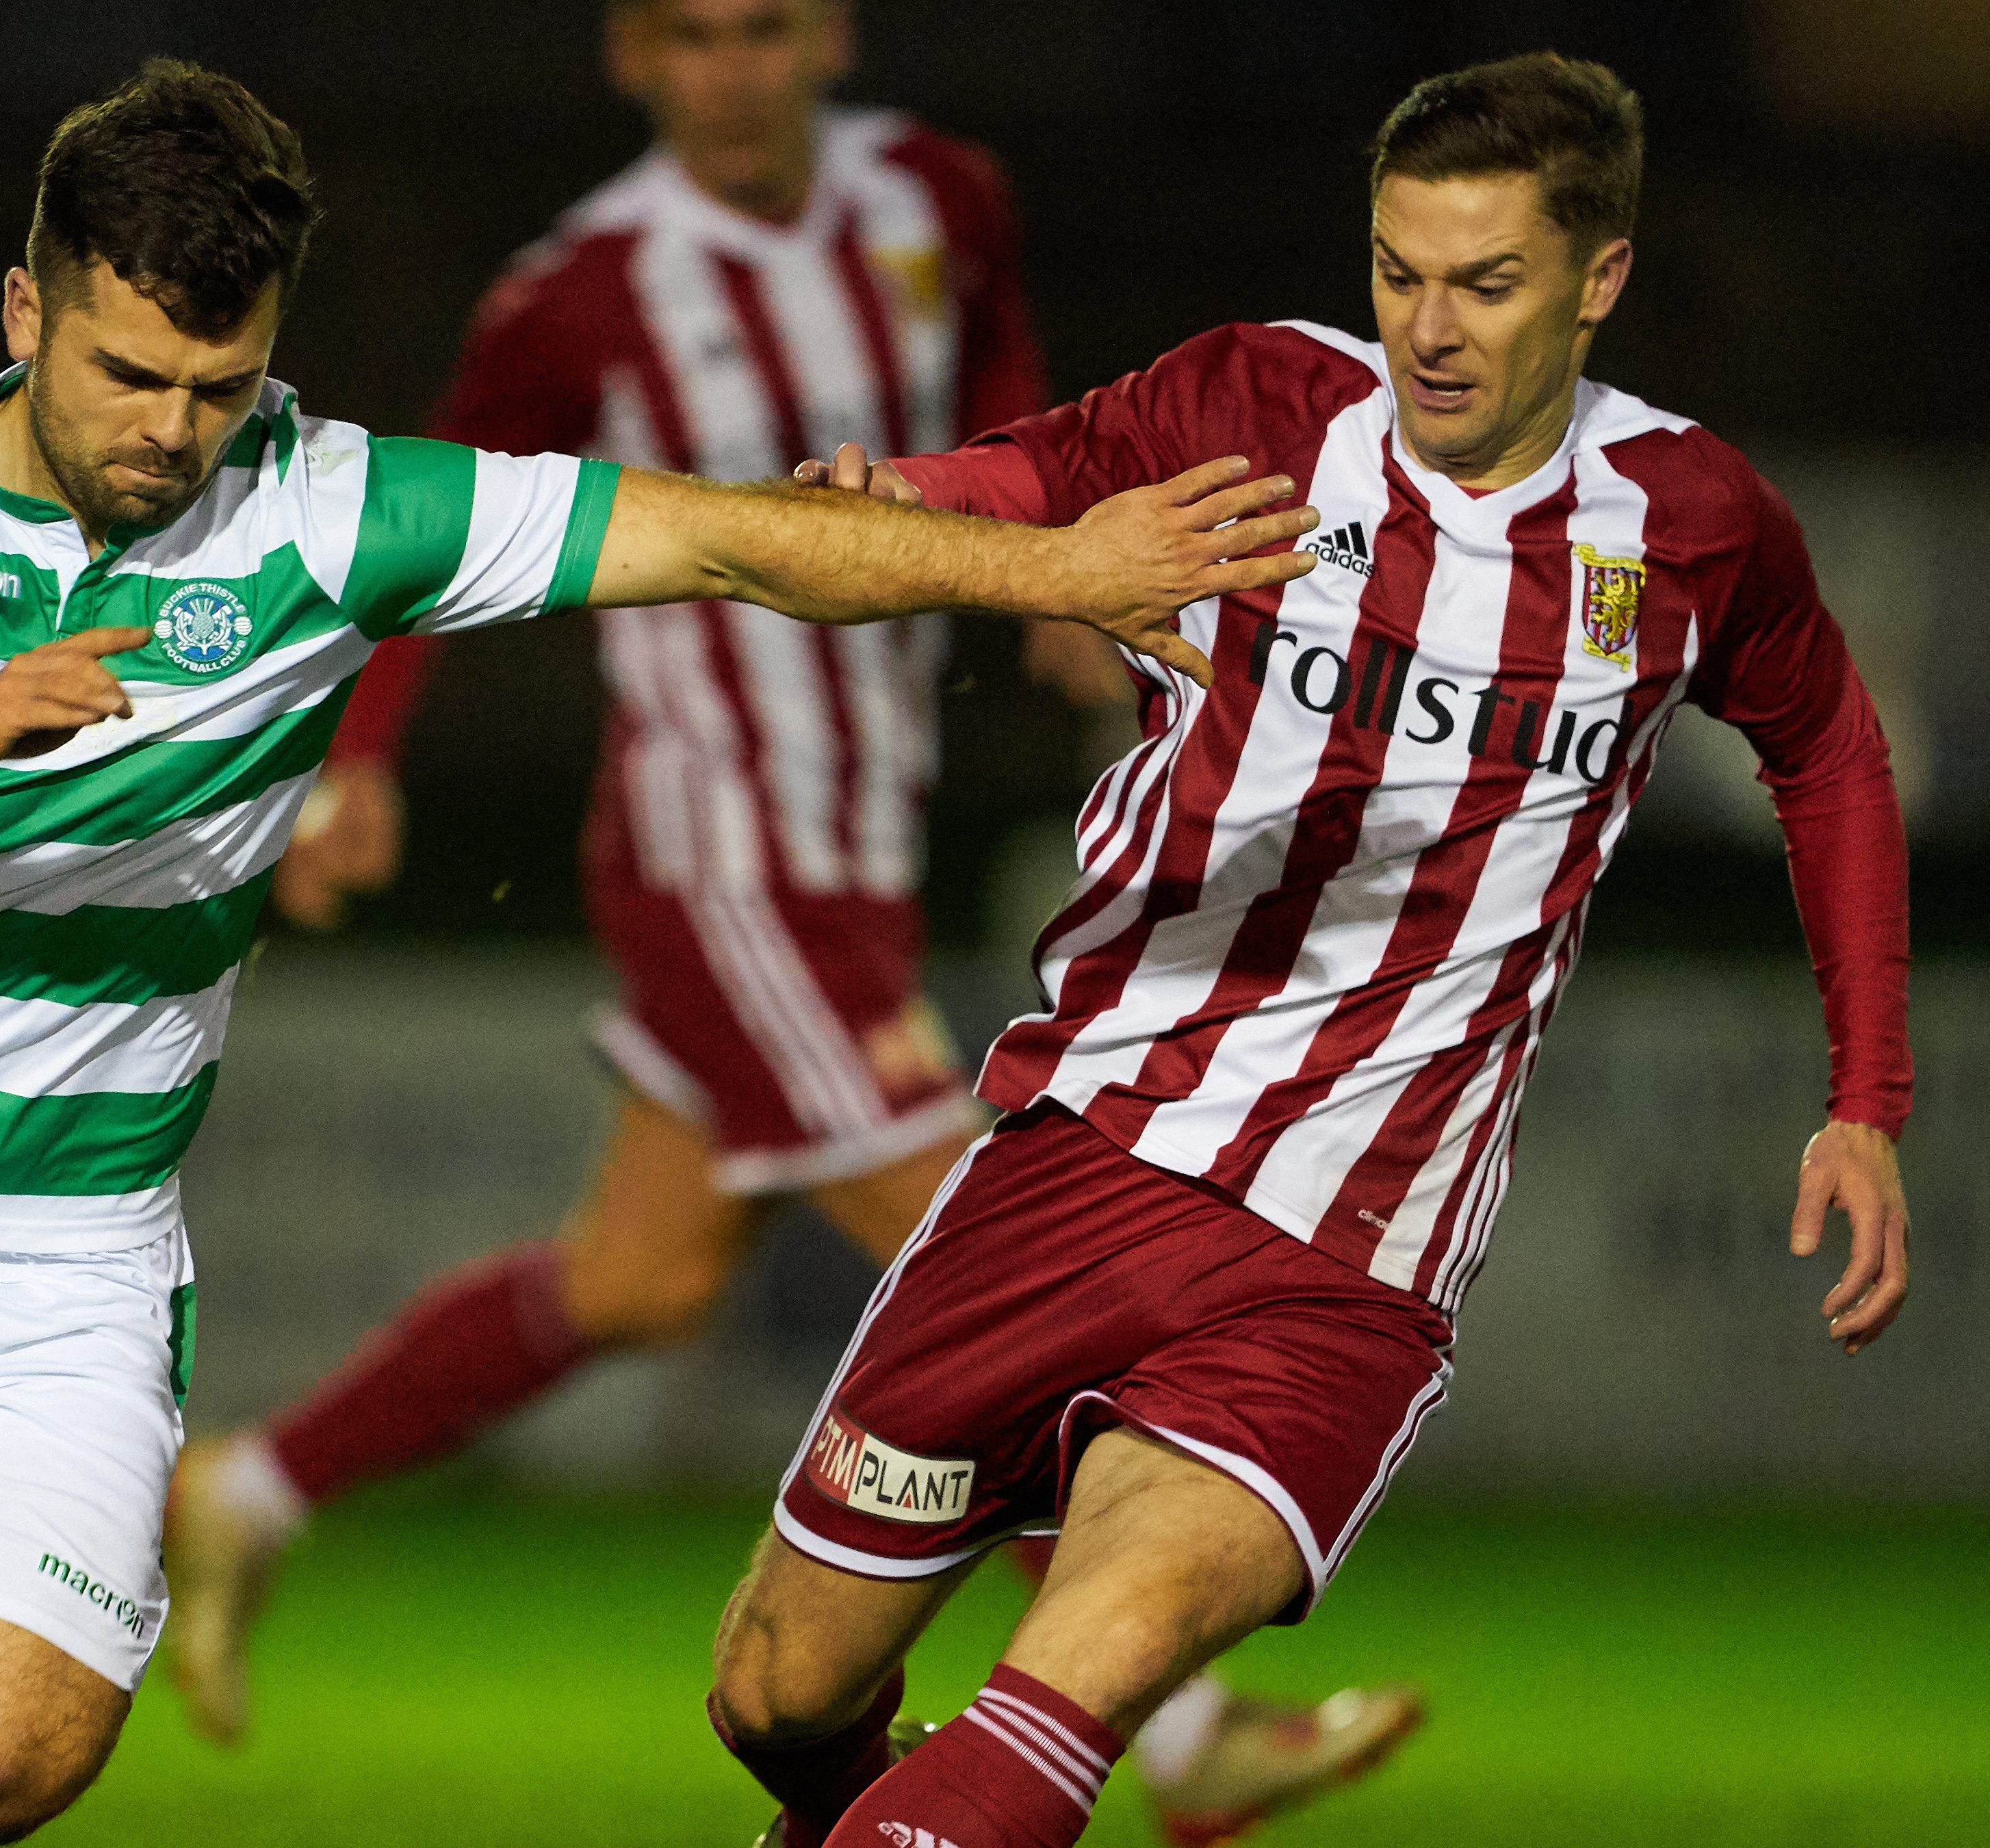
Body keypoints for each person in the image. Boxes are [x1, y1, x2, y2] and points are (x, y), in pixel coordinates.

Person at [0, 55, 1324, 1848]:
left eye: (217, 382)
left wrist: (1059, 564)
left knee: (1, 1772)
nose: (170, 431)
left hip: (58, 1254)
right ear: (21, 311)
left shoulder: (334, 512)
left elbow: (735, 546)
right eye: (127, 374)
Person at [165, 3, 1420, 1843]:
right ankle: (1177, 1727)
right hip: (715, 847)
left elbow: (997, 355)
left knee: (644, 1274)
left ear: (823, 31)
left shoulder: (934, 195)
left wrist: (1049, 565)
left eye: (764, 27)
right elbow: (422, 523)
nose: (732, 69)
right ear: (630, 55)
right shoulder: (585, 286)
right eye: (691, 34)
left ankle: (258, 1490)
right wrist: (359, 762)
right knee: (977, 1235)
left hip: (859, 829)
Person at [700, 51, 1915, 1848]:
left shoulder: (1691, 525)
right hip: (1078, 1156)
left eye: (1486, 282)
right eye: (1400, 269)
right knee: (779, 1692)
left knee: (1070, 1687)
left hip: (1347, 1259)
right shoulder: (1256, 399)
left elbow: (1826, 747)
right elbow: (1026, 485)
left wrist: (1865, 1095)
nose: (1431, 327)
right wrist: (904, 492)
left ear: (1599, 280)